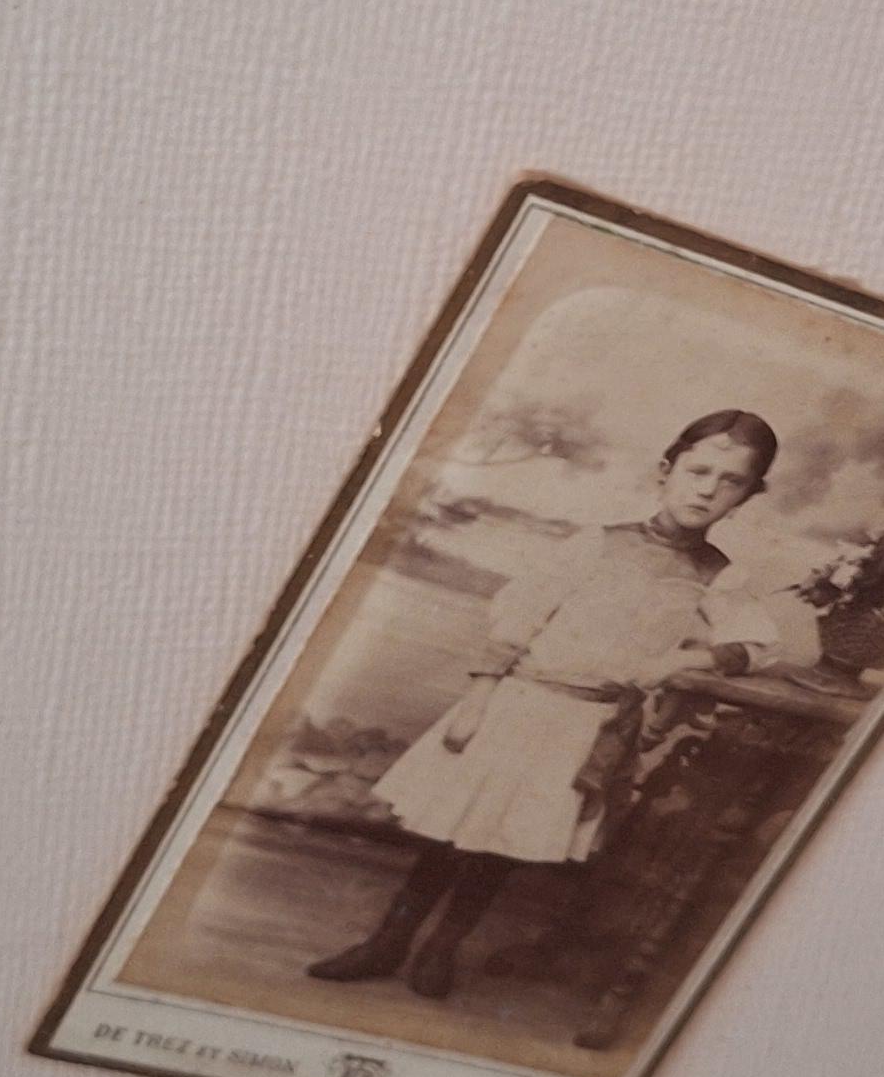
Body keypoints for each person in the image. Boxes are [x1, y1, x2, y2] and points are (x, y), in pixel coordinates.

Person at [311, 411, 792, 1003]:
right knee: (449, 831)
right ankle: (388, 942)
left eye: (731, 481)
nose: (708, 490)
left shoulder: (718, 576)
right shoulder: (599, 543)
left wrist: (683, 660)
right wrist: (477, 701)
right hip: (520, 703)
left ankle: (443, 947)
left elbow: (760, 647)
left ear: (747, 495)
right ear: (666, 471)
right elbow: (519, 618)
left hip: (587, 725)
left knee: (506, 842)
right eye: (698, 471)